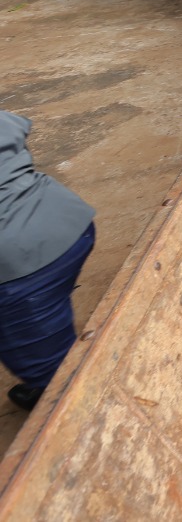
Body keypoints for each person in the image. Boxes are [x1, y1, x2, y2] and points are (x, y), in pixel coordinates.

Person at [1, 111, 95, 412]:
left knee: (62, 388)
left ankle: (53, 383)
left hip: (21, 266)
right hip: (68, 222)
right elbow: (15, 126)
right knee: (50, 305)